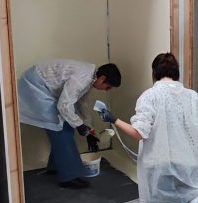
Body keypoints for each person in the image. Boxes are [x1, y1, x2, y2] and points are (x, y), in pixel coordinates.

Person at [99, 52, 198, 203]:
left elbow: (139, 133)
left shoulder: (149, 96)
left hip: (161, 164)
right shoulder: (191, 96)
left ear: (154, 73)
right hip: (189, 163)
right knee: (187, 196)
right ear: (176, 73)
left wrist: (114, 119)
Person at [18, 59, 121, 188]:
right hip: (34, 85)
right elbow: (64, 105)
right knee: (60, 128)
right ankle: (69, 177)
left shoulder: (90, 77)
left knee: (66, 125)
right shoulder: (82, 78)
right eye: (108, 87)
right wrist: (79, 125)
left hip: (39, 83)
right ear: (102, 79)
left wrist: (89, 130)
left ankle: (56, 166)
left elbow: (81, 104)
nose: (107, 90)